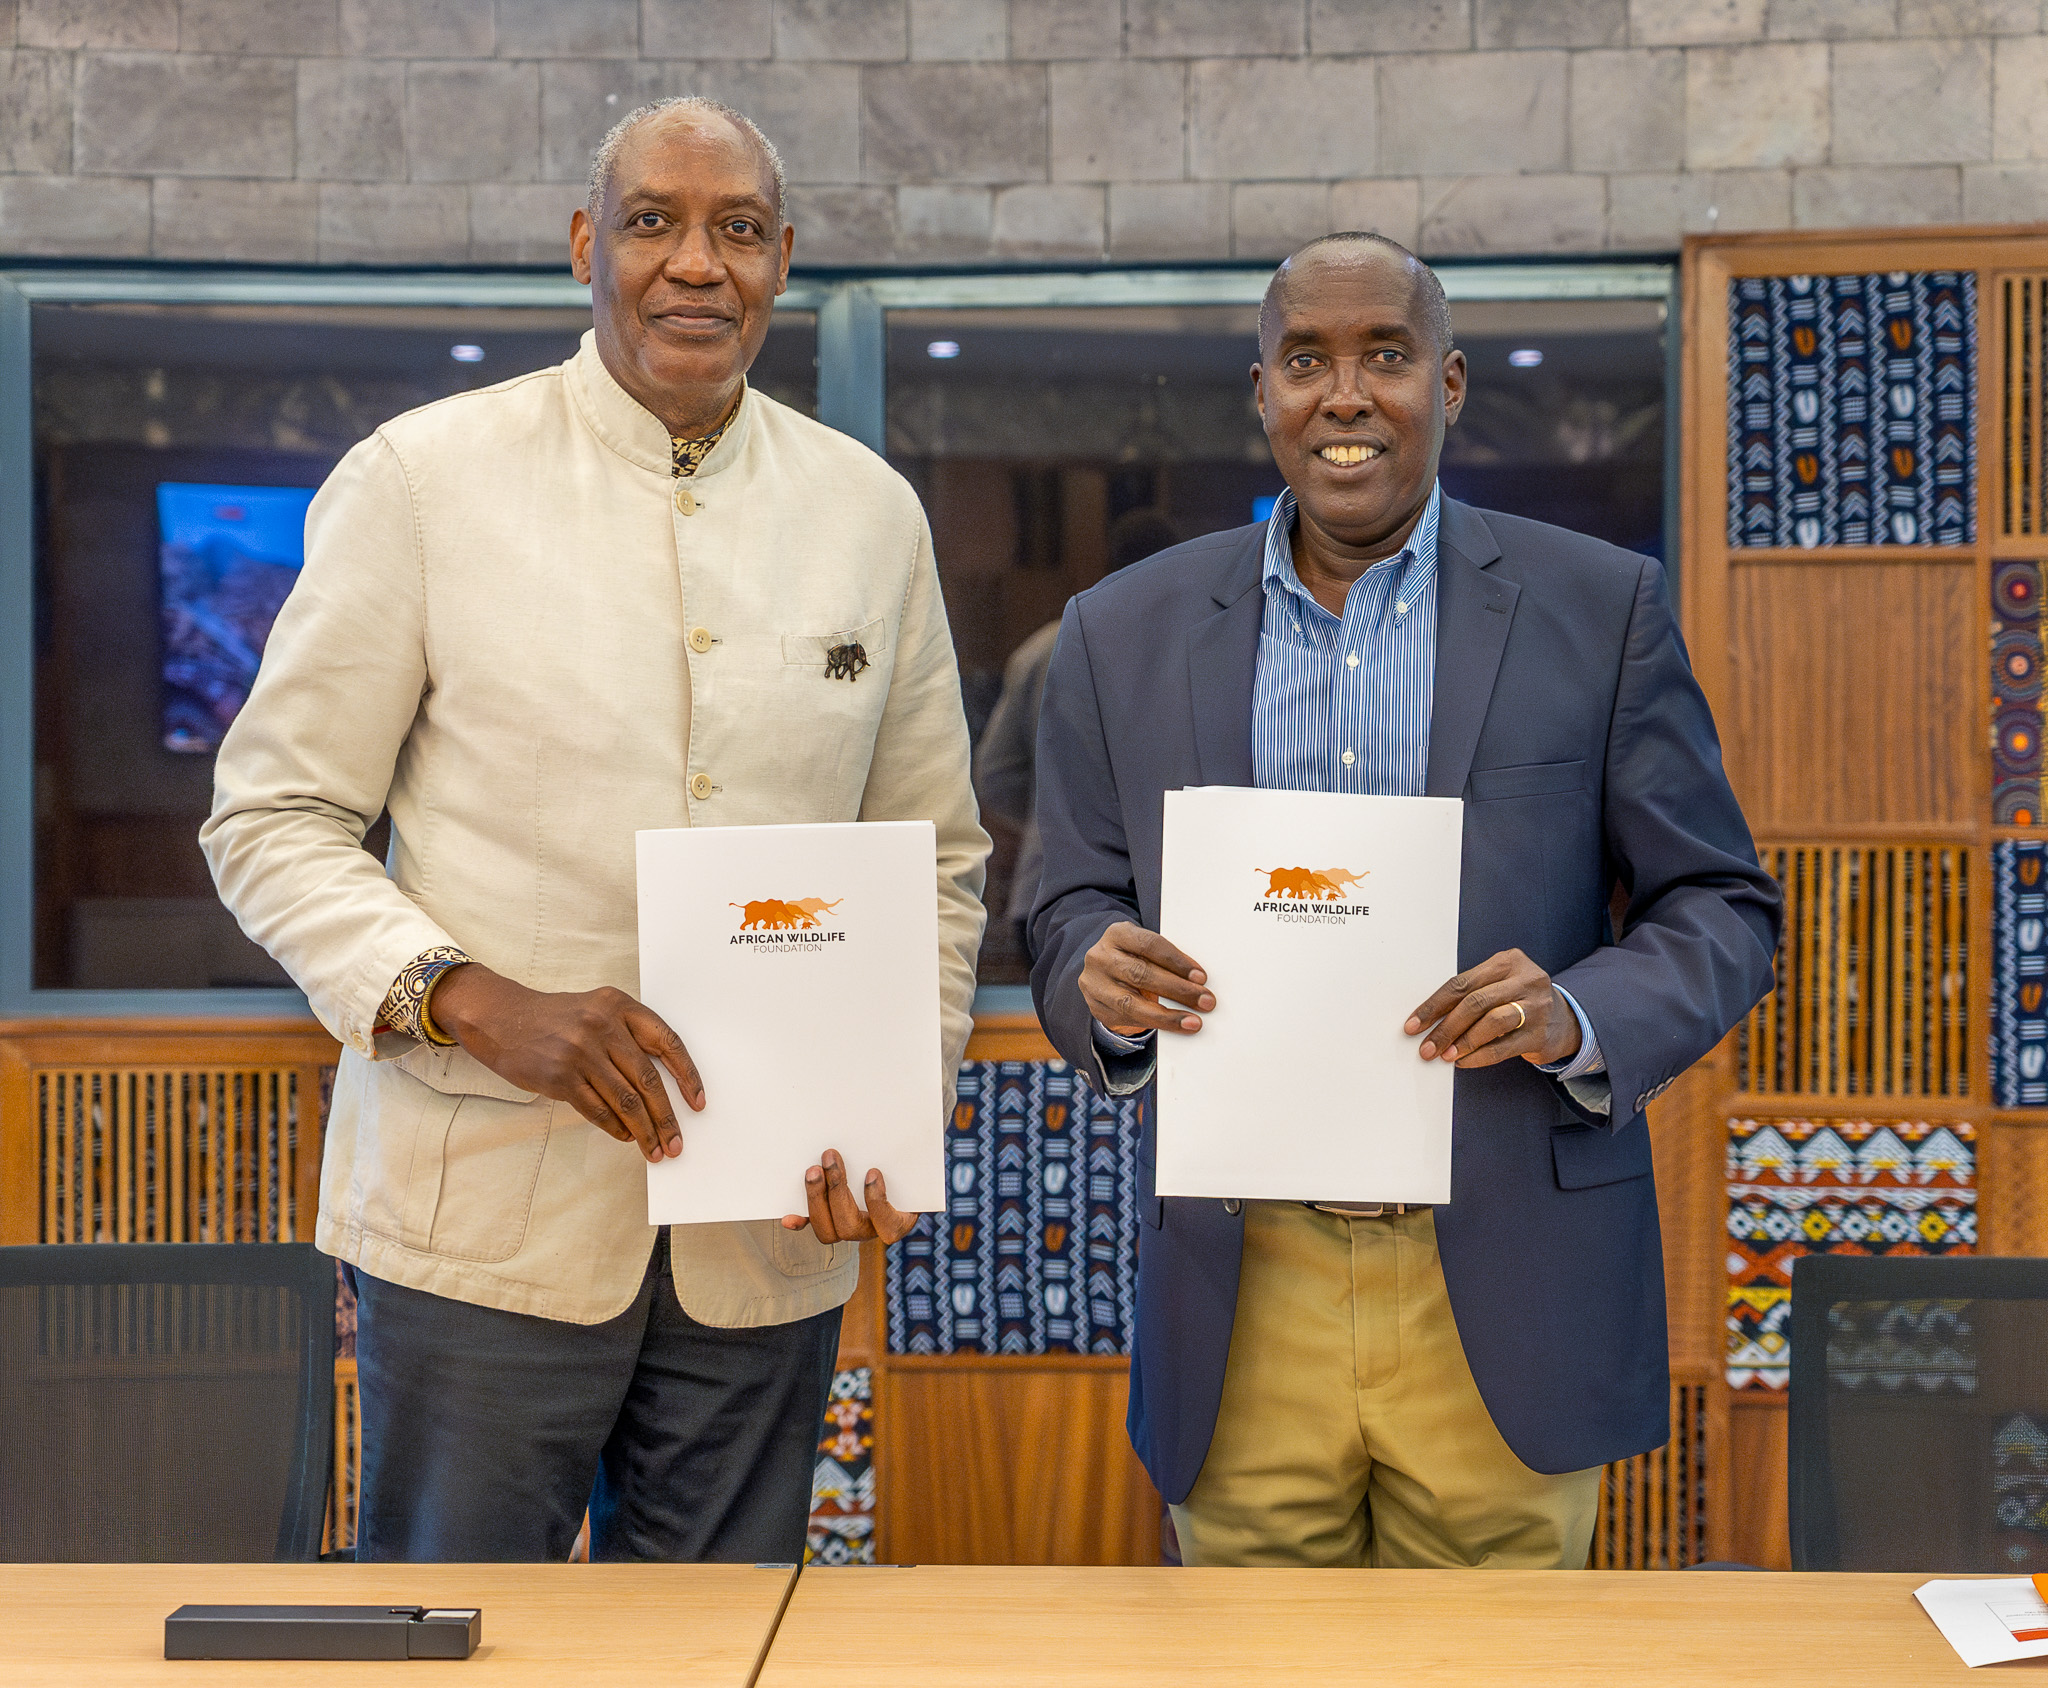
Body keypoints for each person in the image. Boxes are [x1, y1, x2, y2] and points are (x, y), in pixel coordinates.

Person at [202, 97, 988, 1563]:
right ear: (585, 247)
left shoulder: (868, 515)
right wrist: (470, 1002)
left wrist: (892, 1098)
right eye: (654, 223)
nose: (697, 264)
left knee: (718, 1644)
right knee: (457, 1639)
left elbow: (935, 856)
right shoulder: (424, 482)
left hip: (771, 1234)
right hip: (485, 1216)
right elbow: (272, 817)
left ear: (782, 261)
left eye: (736, 231)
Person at [1029, 232, 1780, 1570]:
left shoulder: (1598, 609)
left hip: (1501, 1281)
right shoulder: (1120, 630)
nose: (1348, 392)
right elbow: (1066, 906)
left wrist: (1576, 1009)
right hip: (1245, 1280)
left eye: (1387, 354)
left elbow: (1721, 905)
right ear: (1262, 393)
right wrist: (1096, 973)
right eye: (1307, 359)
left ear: (1451, 382)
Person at [975, 508, 1179, 959]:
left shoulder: (1051, 643)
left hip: (1052, 888)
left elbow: (995, 773)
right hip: (1171, 893)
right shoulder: (1201, 648)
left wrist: (1049, 817)